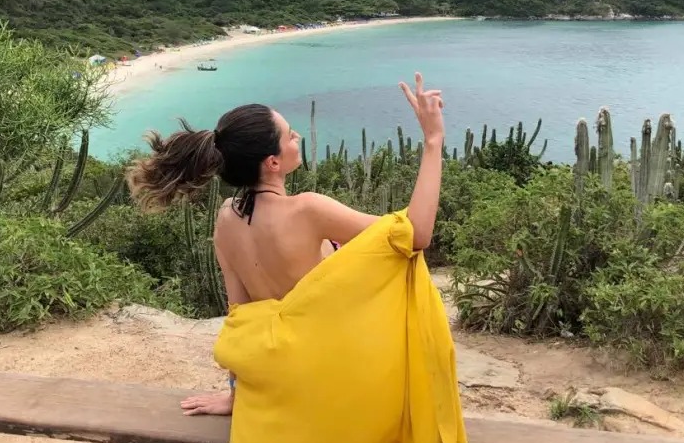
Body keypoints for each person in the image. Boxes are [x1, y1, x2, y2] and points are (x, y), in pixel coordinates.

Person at [124, 72, 445, 418]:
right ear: (273, 162)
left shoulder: (226, 220)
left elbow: (240, 319)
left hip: (278, 381)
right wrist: (433, 139)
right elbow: (416, 235)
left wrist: (235, 398)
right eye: (289, 135)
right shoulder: (309, 210)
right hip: (328, 381)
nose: (297, 137)